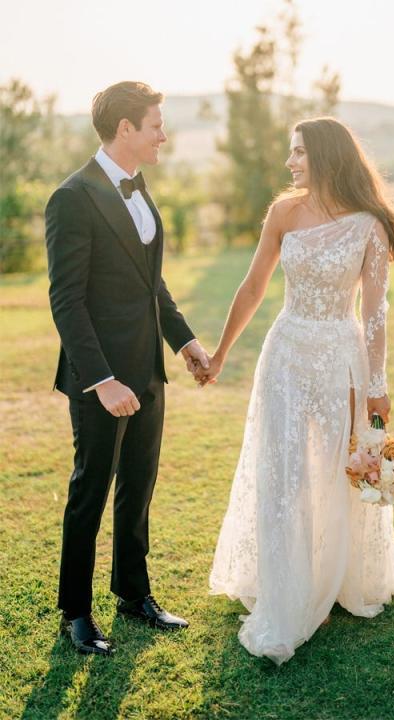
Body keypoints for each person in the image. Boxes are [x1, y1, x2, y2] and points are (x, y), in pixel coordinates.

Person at [207, 117, 394, 664]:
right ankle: (291, 584)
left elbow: (375, 313)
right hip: (284, 353)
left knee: (333, 469)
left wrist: (377, 385)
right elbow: (255, 284)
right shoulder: (284, 212)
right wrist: (220, 352)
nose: (290, 163)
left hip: (339, 359)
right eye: (290, 152)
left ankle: (332, 580)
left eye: (299, 152)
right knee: (284, 469)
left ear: (326, 156)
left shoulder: (371, 224)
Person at [46, 81, 210, 656]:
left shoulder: (142, 193)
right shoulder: (72, 197)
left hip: (147, 370)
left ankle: (133, 593)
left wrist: (184, 341)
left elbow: (150, 284)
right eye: (156, 125)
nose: (164, 134)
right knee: (90, 489)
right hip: (101, 379)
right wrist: (101, 379)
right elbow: (67, 299)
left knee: (138, 487)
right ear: (126, 130)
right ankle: (76, 613)